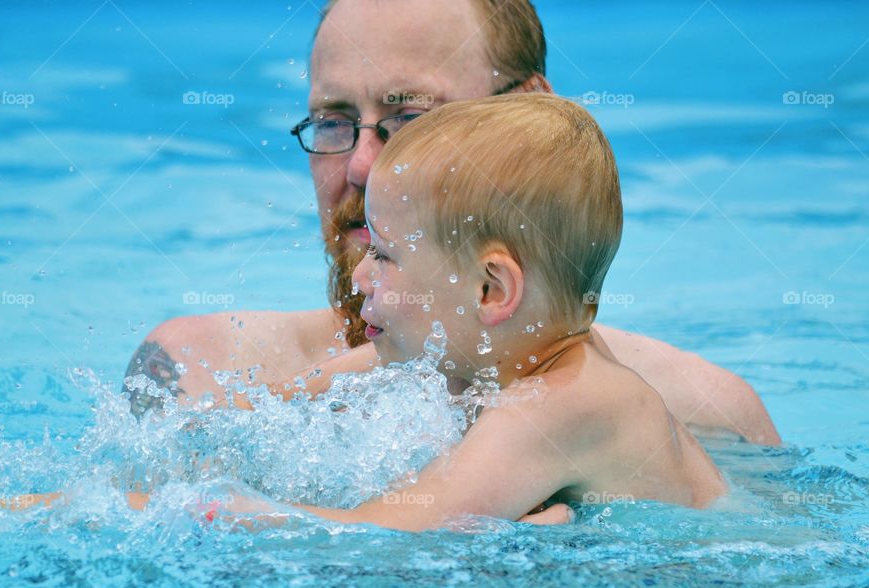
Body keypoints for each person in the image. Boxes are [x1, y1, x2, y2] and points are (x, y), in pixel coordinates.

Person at [1, 94, 725, 530]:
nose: (360, 271)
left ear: (489, 292)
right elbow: (287, 401)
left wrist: (221, 509)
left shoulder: (559, 404)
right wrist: (207, 432)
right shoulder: (487, 348)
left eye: (385, 254)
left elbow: (389, 531)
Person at [126, 0, 778, 455]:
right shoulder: (201, 374)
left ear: (526, 116)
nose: (359, 166)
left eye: (411, 118)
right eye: (333, 121)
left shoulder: (703, 417)